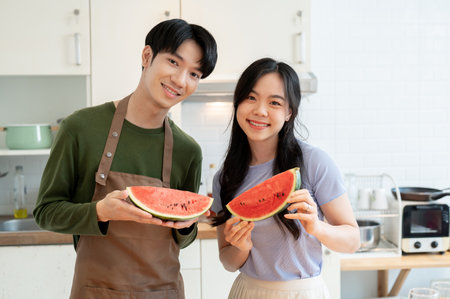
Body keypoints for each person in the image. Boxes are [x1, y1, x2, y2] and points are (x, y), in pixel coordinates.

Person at [33, 19, 217, 299]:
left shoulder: (187, 150)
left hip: (163, 292)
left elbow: (185, 237)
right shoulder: (81, 127)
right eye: (173, 62)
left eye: (194, 74)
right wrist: (100, 212)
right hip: (95, 292)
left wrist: (188, 225)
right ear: (147, 57)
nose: (180, 81)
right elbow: (46, 212)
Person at [211, 58, 360, 299]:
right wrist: (240, 247)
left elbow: (352, 241)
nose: (260, 110)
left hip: (301, 293)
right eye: (251, 97)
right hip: (248, 291)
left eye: (274, 102)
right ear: (237, 102)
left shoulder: (314, 162)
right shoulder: (225, 177)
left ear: (289, 112)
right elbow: (227, 261)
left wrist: (317, 227)